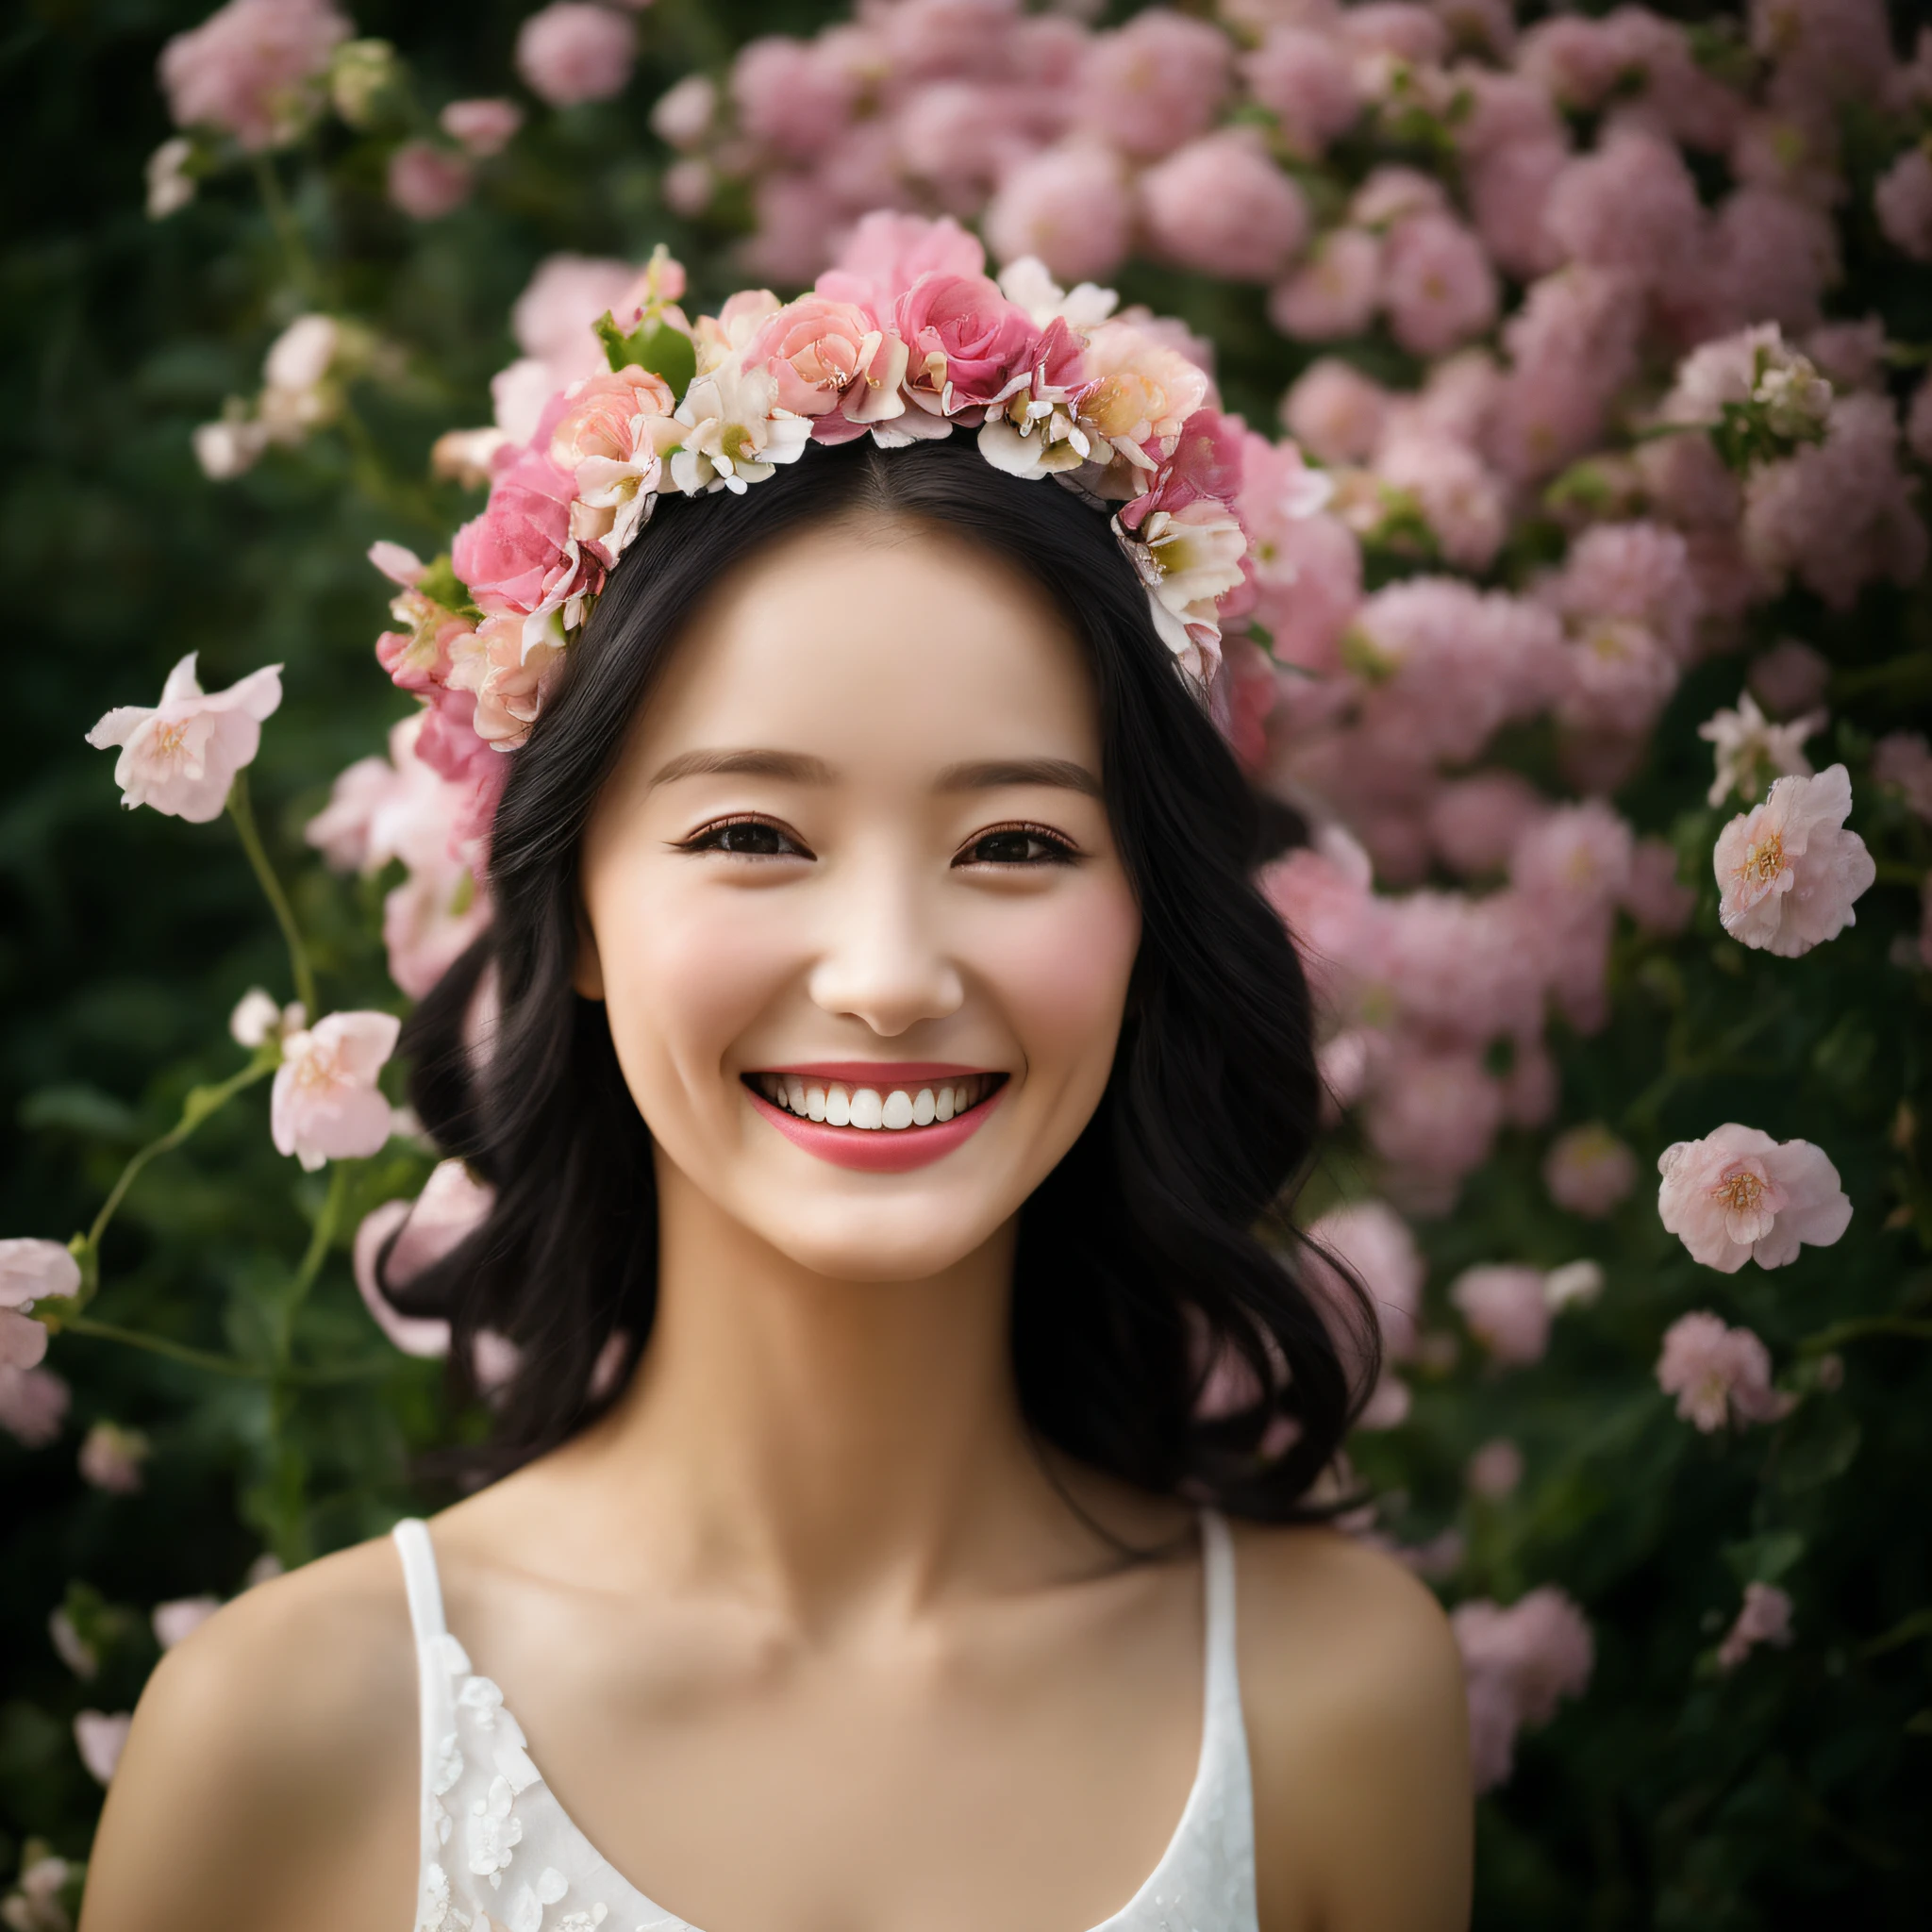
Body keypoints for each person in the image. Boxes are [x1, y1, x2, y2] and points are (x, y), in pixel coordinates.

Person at [78, 237, 1471, 1932]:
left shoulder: (1338, 1705)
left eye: (1016, 842)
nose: (887, 974)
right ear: (574, 905)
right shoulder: (285, 1739)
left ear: (1148, 922)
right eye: (753, 836)